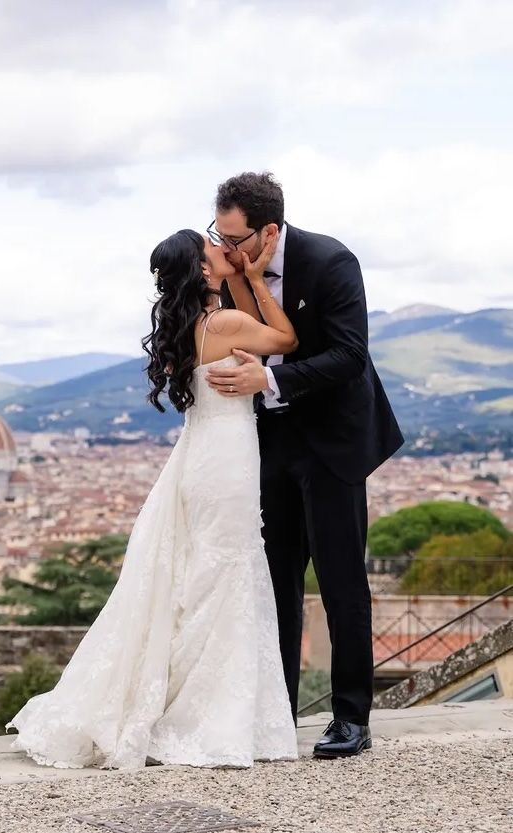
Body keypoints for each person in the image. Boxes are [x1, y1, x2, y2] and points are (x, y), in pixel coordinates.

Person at [6, 229, 299, 769]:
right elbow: (286, 340)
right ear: (202, 270)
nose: (224, 251)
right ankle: (207, 715)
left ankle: (192, 703)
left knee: (203, 575)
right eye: (214, 250)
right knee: (226, 574)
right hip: (229, 460)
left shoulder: (187, 326)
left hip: (199, 457)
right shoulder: (228, 322)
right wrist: (256, 280)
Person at [206, 172, 404, 759]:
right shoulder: (230, 270)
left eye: (235, 238)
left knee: (343, 582)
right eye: (218, 235)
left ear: (269, 231)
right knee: (275, 580)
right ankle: (276, 711)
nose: (225, 247)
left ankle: (351, 718)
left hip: (334, 439)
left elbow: (349, 355)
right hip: (272, 439)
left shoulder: (331, 260)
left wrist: (267, 377)